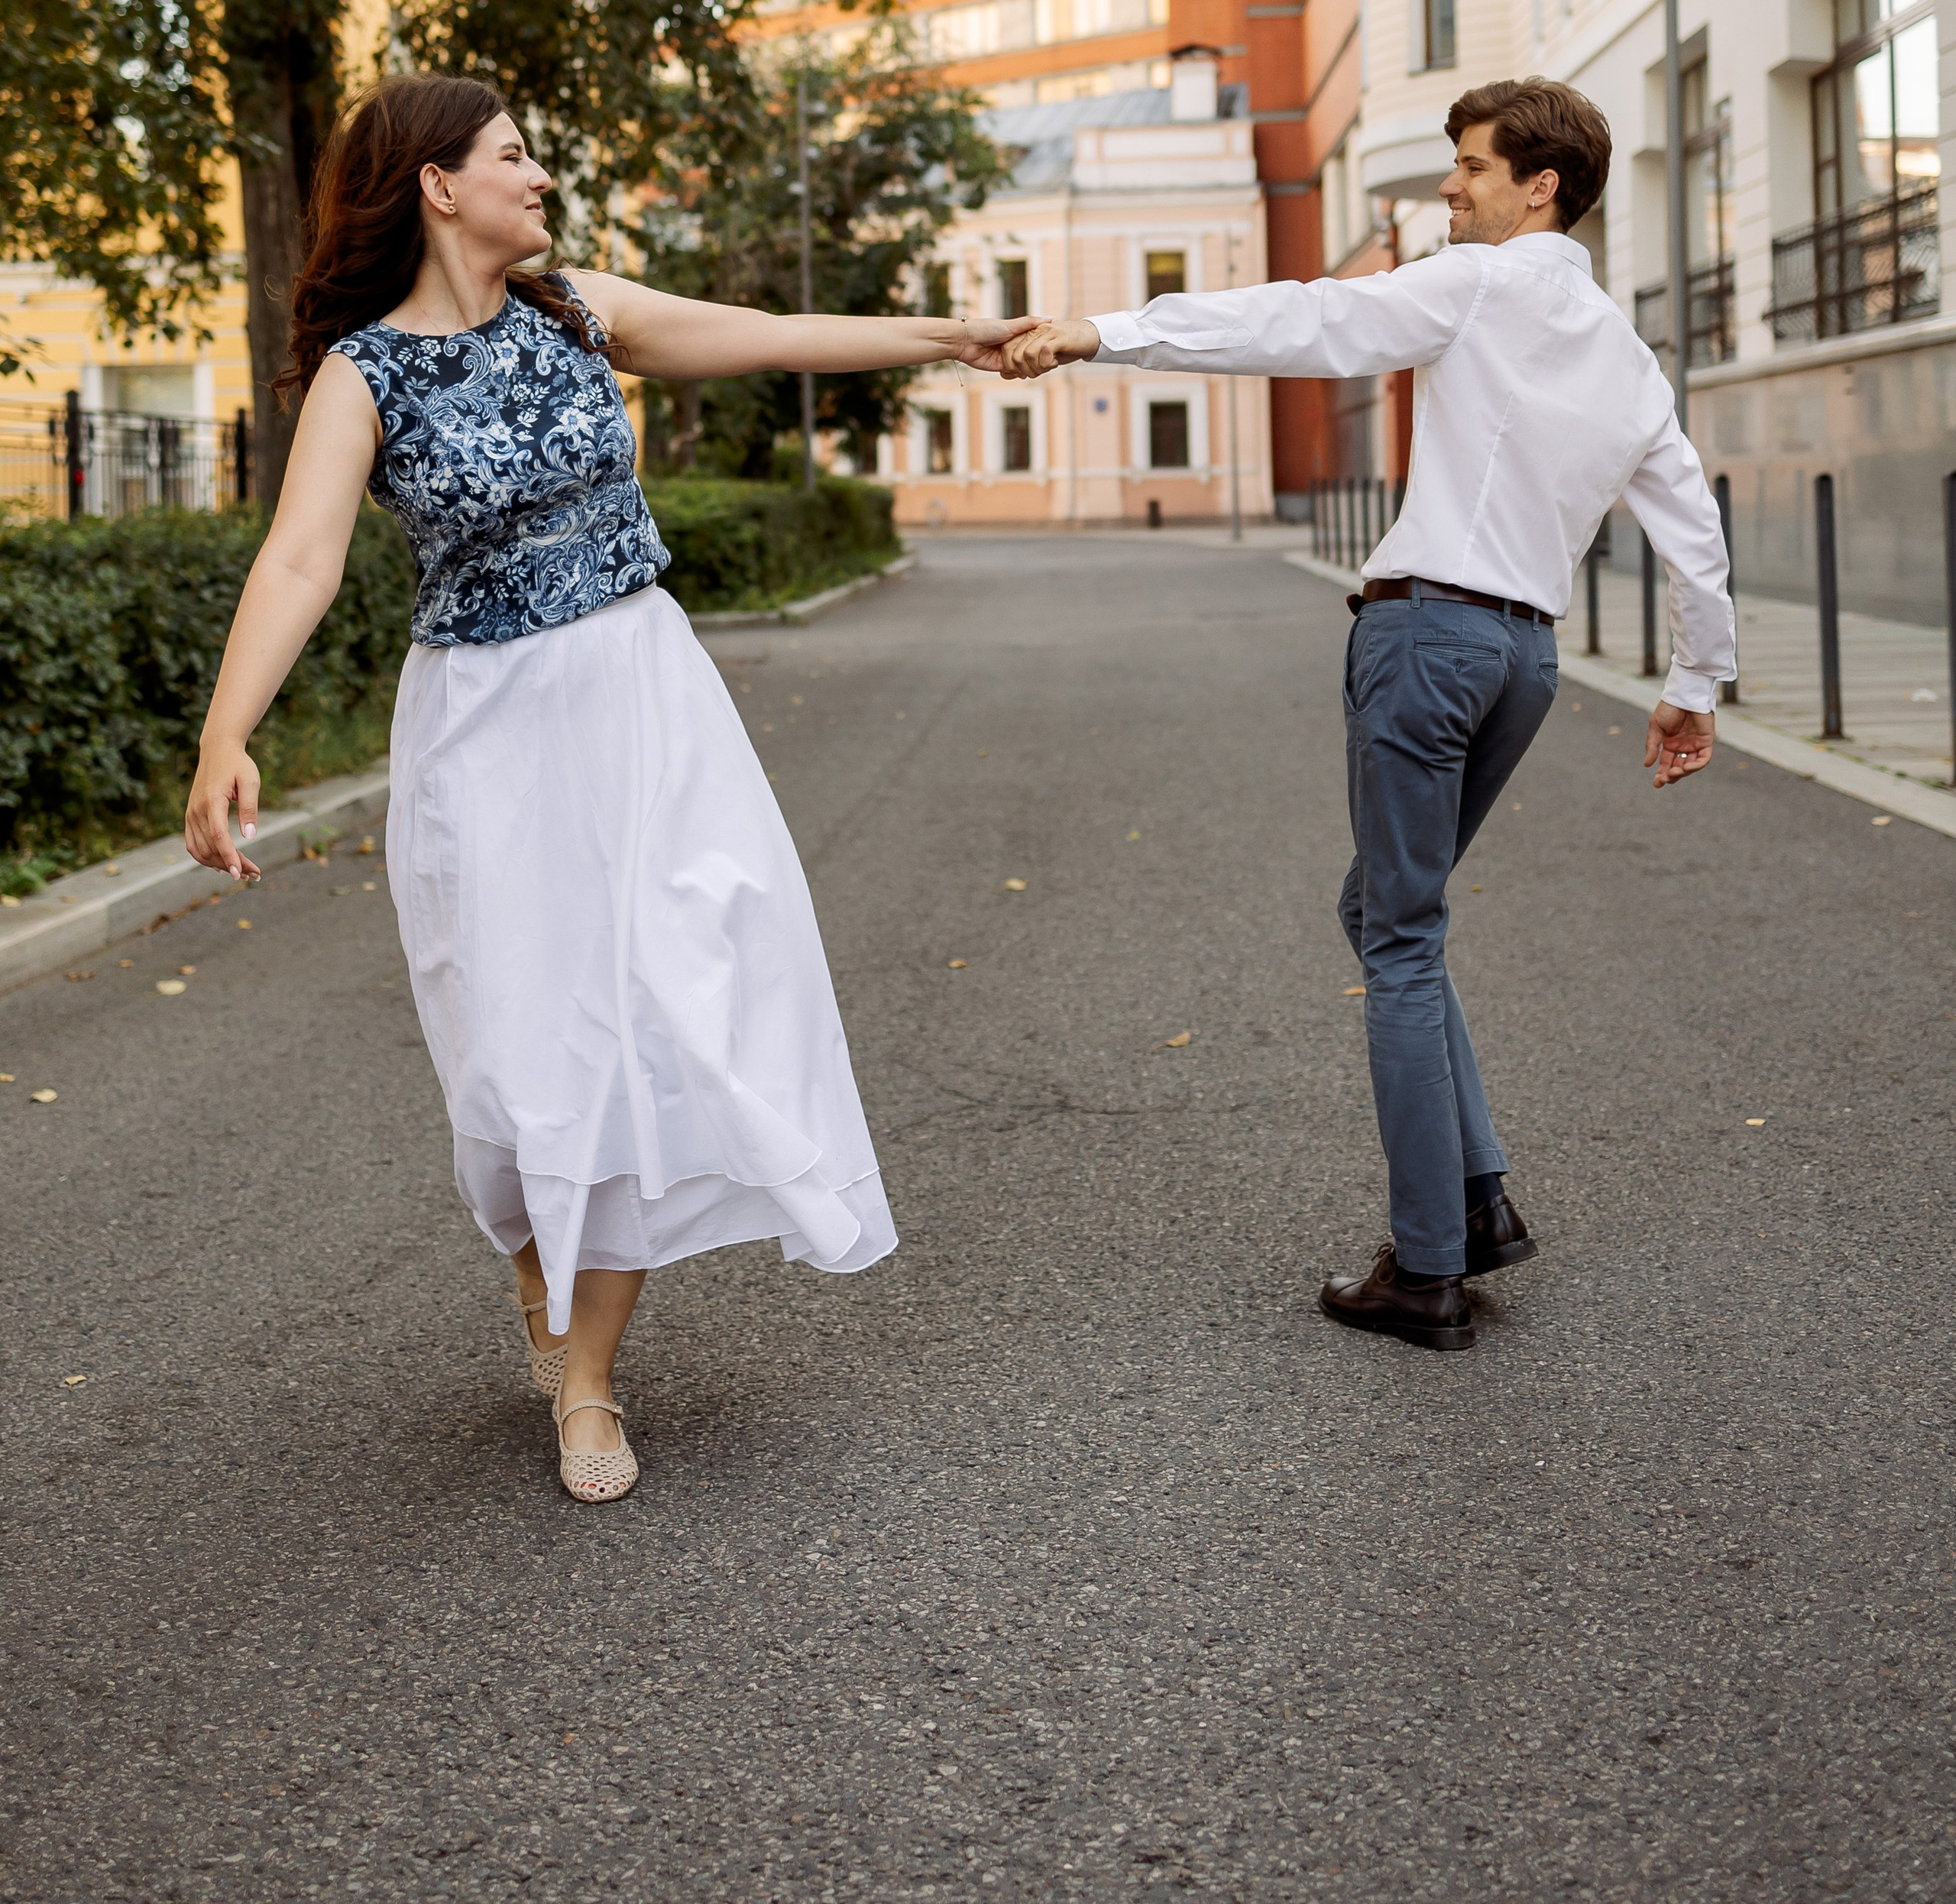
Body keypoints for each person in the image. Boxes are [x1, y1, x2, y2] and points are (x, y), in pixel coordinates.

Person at [185, 73, 1021, 1500]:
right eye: (513, 157)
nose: (541, 178)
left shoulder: (575, 306)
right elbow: (301, 559)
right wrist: (226, 735)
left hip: (643, 701)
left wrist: (955, 337)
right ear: (438, 185)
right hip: (487, 734)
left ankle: (588, 1382)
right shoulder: (363, 374)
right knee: (519, 1057)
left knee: (659, 1011)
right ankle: (537, 1270)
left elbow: (758, 338)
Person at [998, 76, 1734, 1353]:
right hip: (1524, 660)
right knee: (1388, 912)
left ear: (1539, 185)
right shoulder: (1624, 348)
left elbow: (1310, 319)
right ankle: (1480, 1199)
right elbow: (1691, 522)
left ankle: (1428, 1268)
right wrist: (1692, 685)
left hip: (1427, 635)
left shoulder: (1484, 284)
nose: (1450, 187)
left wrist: (1100, 331)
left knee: (1397, 935)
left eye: (1471, 166)